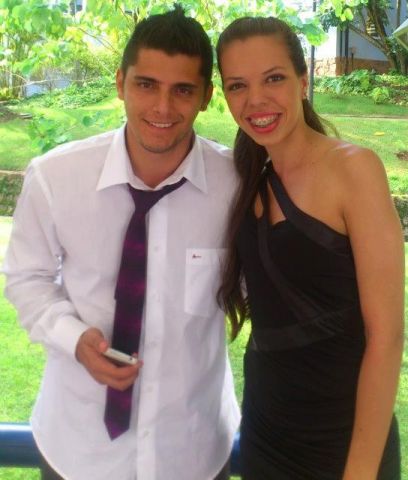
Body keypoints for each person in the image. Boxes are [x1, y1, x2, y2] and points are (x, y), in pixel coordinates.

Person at [3, 6, 240, 480]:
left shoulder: (237, 186)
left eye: (183, 90)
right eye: (146, 84)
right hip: (77, 449)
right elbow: (26, 278)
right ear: (120, 83)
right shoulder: (55, 178)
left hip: (192, 450)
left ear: (206, 97)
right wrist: (73, 338)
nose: (162, 108)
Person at [216, 16, 404, 480]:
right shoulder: (249, 177)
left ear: (303, 81)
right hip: (265, 433)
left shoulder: (354, 170)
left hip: (343, 441)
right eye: (238, 85)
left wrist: (359, 472)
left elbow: (386, 338)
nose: (256, 100)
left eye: (273, 78)